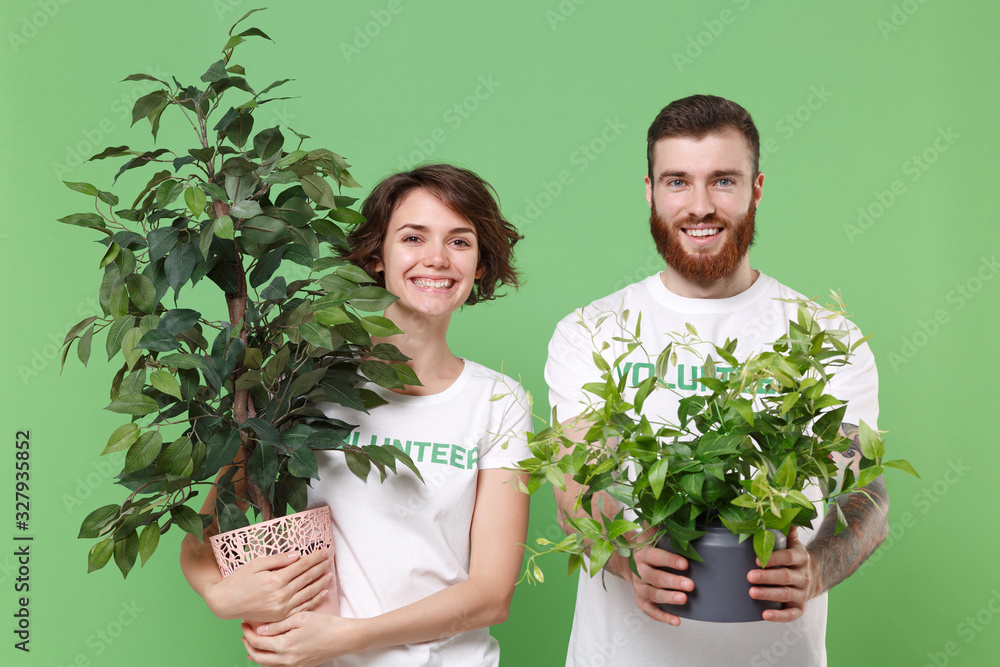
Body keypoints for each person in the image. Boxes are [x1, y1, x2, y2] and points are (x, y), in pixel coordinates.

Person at [545, 95, 889, 666]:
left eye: (723, 180)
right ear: (650, 192)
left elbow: (865, 490)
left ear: (756, 189)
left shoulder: (826, 336)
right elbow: (575, 482)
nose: (700, 206)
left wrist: (815, 569)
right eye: (678, 181)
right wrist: (632, 558)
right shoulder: (591, 330)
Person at [180, 164, 531, 666]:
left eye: (460, 241)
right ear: (376, 258)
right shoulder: (303, 381)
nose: (436, 258)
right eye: (413, 237)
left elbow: (491, 594)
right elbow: (205, 533)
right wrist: (217, 593)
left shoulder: (499, 401)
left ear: (480, 265)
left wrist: (347, 637)